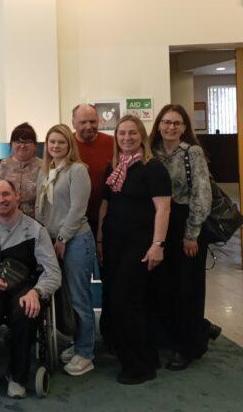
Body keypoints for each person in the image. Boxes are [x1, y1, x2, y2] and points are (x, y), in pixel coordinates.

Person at [0, 180, 61, 402]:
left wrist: (36, 292)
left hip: (23, 285)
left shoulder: (35, 229)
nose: (1, 200)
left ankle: (17, 377)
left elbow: (53, 272)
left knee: (26, 308)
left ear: (17, 196)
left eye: (6, 194)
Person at [98, 115, 171, 385]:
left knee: (126, 302)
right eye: (122, 133)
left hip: (139, 245)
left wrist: (158, 244)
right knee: (122, 302)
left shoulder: (153, 168)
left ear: (142, 136)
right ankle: (145, 355)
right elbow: (106, 204)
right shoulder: (115, 166)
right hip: (113, 243)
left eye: (132, 133)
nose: (126, 138)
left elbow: (163, 209)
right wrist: (99, 239)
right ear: (116, 137)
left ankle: (139, 367)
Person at [150, 104, 219, 371]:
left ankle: (188, 347)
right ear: (158, 125)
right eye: (166, 122)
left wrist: (191, 234)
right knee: (164, 287)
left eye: (176, 123)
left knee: (187, 289)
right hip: (160, 224)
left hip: (186, 224)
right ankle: (193, 331)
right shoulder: (152, 152)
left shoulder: (192, 152)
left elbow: (202, 194)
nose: (171, 127)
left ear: (184, 127)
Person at [35, 124, 96, 376]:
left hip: (76, 240)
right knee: (67, 298)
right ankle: (78, 342)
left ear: (70, 145)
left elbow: (77, 210)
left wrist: (62, 237)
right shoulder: (46, 171)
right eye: (52, 142)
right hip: (52, 241)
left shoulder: (77, 170)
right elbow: (41, 208)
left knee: (80, 298)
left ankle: (86, 353)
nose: (56, 146)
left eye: (61, 142)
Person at [0, 122, 42, 218]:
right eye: (18, 141)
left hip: (35, 223)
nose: (22, 145)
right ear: (11, 144)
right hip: (2, 221)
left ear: (35, 145)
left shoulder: (44, 167)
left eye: (27, 141)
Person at [71, 104, 115, 235]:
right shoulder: (65, 144)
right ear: (73, 123)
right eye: (83, 122)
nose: (89, 126)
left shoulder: (113, 143)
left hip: (107, 216)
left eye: (92, 121)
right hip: (74, 219)